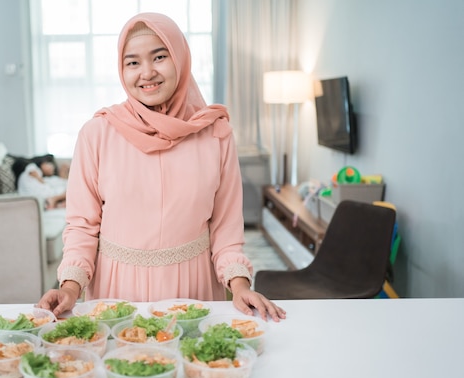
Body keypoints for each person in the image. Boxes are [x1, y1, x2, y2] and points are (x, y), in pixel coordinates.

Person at [37, 12, 286, 322]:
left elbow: (226, 229)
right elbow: (82, 226)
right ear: (121, 68)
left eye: (159, 57)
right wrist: (71, 288)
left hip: (192, 290)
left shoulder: (215, 133)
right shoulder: (97, 133)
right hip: (116, 290)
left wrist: (239, 286)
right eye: (133, 62)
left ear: (180, 59)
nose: (147, 73)